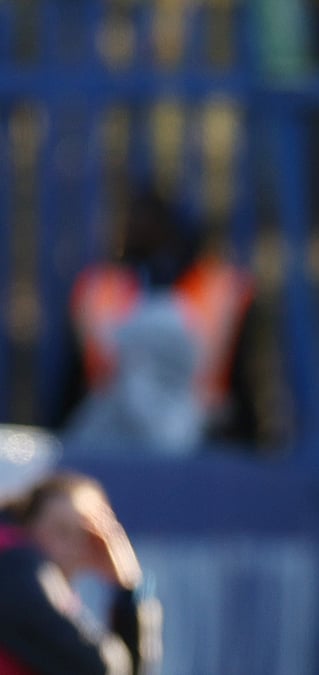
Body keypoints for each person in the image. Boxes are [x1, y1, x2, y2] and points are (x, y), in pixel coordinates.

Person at [49, 184, 276, 455]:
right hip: (113, 437)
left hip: (203, 442)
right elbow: (73, 384)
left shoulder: (224, 291)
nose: (137, 228)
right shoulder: (98, 291)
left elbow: (246, 385)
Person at [0, 471, 161, 675]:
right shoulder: (14, 568)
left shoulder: (51, 596)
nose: (73, 546)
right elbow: (99, 667)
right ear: (27, 527)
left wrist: (128, 586)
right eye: (61, 531)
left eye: (84, 534)